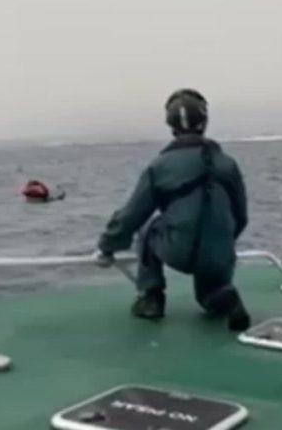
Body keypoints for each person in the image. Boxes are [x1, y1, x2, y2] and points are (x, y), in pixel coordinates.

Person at [95, 89, 251, 331]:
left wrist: (108, 245)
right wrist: (222, 244)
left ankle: (152, 297)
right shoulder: (227, 164)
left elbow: (132, 215)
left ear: (171, 125)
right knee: (210, 297)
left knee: (150, 227)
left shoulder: (159, 167)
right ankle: (225, 298)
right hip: (219, 254)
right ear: (205, 122)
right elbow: (241, 216)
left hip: (178, 250)